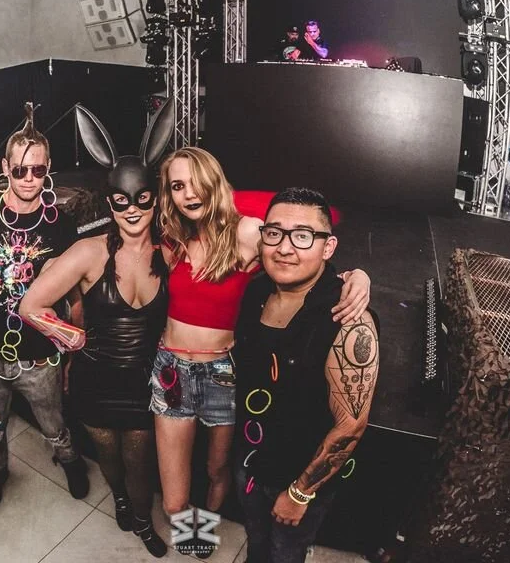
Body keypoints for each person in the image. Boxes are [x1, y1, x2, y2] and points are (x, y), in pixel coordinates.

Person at [151, 147, 370, 558]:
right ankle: (192, 534)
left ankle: (202, 536)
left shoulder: (248, 232)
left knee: (217, 472)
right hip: (172, 372)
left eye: (197, 181)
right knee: (174, 500)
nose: (189, 193)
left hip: (223, 373)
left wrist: (358, 276)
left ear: (216, 182)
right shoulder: (172, 240)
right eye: (178, 186)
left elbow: (303, 253)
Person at [19, 114, 172, 557]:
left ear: (155, 199)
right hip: (95, 382)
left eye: (142, 200)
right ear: (110, 203)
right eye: (121, 202)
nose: (132, 211)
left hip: (144, 385)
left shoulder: (171, 251)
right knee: (108, 456)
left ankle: (142, 520)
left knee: (140, 462)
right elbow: (31, 307)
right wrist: (73, 339)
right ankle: (119, 500)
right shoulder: (89, 252)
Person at [0, 103, 89, 511]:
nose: (29, 178)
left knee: (54, 422)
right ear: (5, 168)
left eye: (38, 170)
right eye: (20, 170)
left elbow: (74, 296)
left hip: (41, 357)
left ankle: (70, 459)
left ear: (48, 170)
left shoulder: (60, 224)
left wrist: (73, 355)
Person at [233, 188, 379, 563]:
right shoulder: (257, 290)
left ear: (328, 247)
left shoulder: (349, 321)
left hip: (298, 478)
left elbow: (350, 426)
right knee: (256, 542)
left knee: (286, 552)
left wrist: (300, 493)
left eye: (302, 236)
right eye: (274, 233)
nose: (284, 248)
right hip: (250, 460)